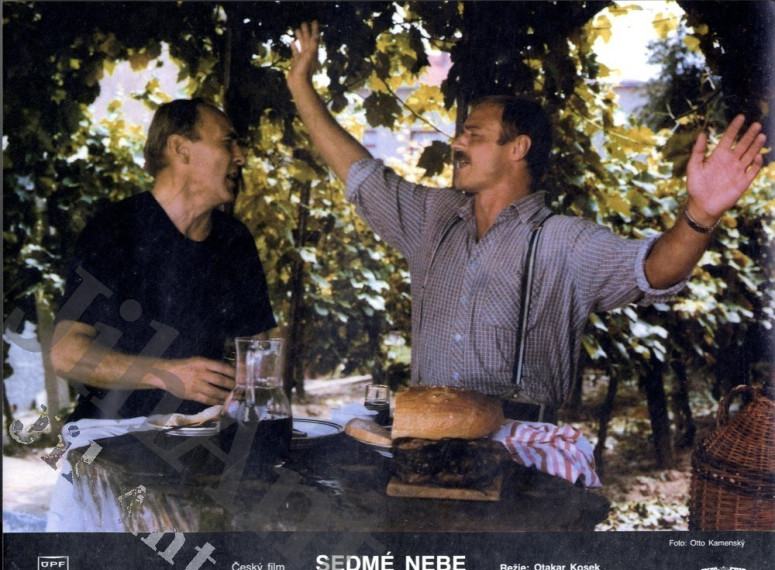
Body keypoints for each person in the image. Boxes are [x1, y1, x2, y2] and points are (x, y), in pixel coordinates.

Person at [286, 21, 766, 422]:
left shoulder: (564, 242)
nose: (457, 143)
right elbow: (360, 173)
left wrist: (701, 214)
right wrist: (300, 87)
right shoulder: (432, 218)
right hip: (426, 441)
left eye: (473, 134)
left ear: (517, 149)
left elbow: (656, 270)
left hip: (519, 456)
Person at [50, 98, 277, 422]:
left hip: (202, 434)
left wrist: (248, 394)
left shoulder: (234, 240)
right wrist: (166, 374)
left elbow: (259, 352)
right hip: (110, 436)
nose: (240, 157)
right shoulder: (113, 231)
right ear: (180, 148)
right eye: (228, 142)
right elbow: (65, 353)